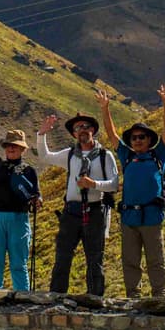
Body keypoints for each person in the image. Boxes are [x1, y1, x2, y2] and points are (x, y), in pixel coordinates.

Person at [97, 83, 165, 298]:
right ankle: (134, 296)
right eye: (134, 138)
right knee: (130, 260)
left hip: (151, 216)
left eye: (142, 137)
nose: (138, 140)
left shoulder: (158, 155)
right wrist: (105, 108)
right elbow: (111, 134)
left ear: (149, 139)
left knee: (155, 260)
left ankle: (160, 296)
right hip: (129, 217)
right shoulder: (127, 155)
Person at [37, 109, 119, 296]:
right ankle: (57, 297)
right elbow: (45, 157)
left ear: (93, 130)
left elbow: (114, 185)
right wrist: (41, 134)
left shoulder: (105, 156)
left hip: (96, 210)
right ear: (74, 133)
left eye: (86, 126)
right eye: (78, 127)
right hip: (71, 211)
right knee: (63, 257)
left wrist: (94, 184)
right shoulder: (69, 155)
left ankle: (95, 298)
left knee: (95, 259)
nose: (82, 129)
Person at [0, 94, 42, 291]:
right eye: (9, 146)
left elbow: (35, 193)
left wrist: (38, 200)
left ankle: (23, 297)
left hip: (18, 218)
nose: (11, 149)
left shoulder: (30, 171)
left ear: (22, 149)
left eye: (16, 146)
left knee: (18, 264)